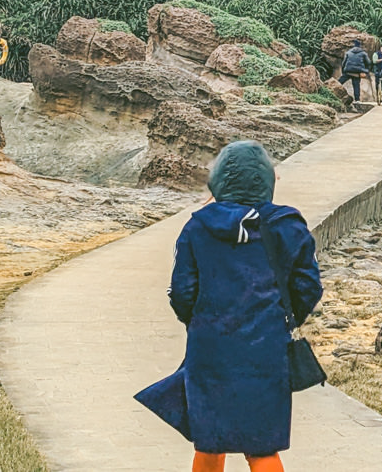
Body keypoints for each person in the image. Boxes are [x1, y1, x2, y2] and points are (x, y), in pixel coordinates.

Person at [135, 141, 322, 472]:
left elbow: (181, 291)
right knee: (261, 447)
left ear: (218, 180)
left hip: (210, 348)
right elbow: (308, 286)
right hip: (267, 347)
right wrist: (282, 319)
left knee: (209, 441)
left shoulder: (197, 227)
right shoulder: (288, 226)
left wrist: (200, 321)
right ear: (266, 179)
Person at [338, 39, 371, 104]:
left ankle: (332, 91)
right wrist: (366, 70)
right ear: (360, 46)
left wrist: (343, 71)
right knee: (356, 85)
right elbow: (368, 62)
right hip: (357, 72)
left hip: (348, 70)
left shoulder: (348, 52)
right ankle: (357, 100)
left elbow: (344, 63)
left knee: (340, 82)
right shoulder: (363, 53)